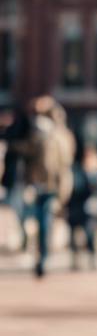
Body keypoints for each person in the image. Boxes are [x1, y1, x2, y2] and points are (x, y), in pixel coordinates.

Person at [20, 96, 76, 277]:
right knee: (38, 221)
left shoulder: (58, 136)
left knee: (43, 222)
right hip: (41, 184)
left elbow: (63, 164)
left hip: (49, 185)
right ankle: (41, 255)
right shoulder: (46, 134)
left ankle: (42, 257)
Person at [67, 144, 97, 269]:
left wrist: (96, 184)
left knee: (90, 233)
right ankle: (75, 259)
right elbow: (72, 188)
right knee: (74, 233)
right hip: (77, 206)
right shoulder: (77, 169)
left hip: (92, 207)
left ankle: (93, 258)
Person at [0, 106, 31, 250]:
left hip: (15, 179)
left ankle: (21, 236)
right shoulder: (7, 134)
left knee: (16, 209)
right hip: (10, 179)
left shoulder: (15, 138)